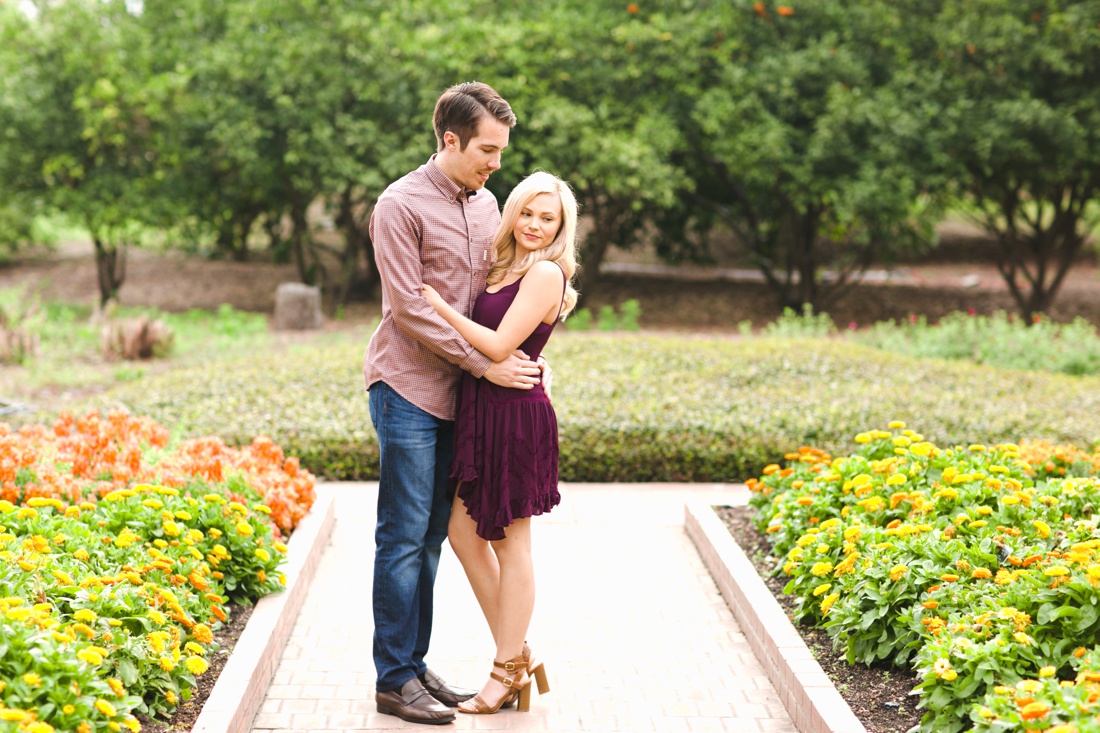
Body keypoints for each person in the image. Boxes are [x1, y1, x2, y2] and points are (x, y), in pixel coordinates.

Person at [364, 81, 544, 726]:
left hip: (465, 399)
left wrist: (525, 344)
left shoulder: (485, 203)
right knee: (403, 536)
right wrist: (487, 364)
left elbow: (495, 297)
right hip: (408, 388)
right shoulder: (399, 205)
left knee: (435, 537)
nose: (496, 163)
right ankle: (391, 678)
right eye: (487, 150)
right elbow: (409, 306)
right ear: (450, 139)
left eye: (500, 150)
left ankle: (411, 664)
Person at [421, 170, 579, 715]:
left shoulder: (544, 273)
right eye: (528, 213)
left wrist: (436, 306)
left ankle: (505, 668)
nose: (535, 225)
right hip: (483, 412)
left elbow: (497, 343)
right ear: (512, 212)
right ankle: (519, 656)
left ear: (562, 227)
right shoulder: (502, 264)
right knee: (463, 535)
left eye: (547, 218)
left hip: (516, 419)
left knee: (512, 544)